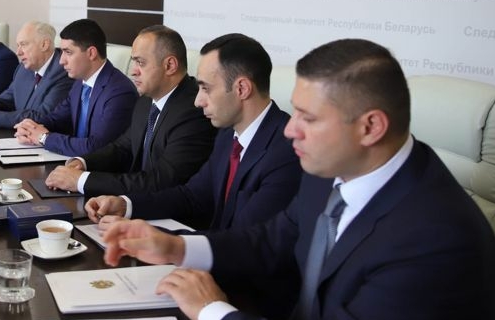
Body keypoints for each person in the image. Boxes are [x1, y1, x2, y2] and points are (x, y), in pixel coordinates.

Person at [102, 39, 495, 320]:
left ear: (370, 127)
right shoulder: (329, 172)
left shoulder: (436, 237)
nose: (290, 129)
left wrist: (210, 310)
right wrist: (177, 247)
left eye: (308, 118)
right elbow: (271, 240)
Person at [84, 33, 299, 231]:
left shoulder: (287, 151)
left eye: (206, 88)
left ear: (241, 89)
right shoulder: (227, 135)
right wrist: (126, 205)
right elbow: (192, 196)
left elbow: (245, 240)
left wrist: (162, 240)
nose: (198, 101)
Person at [44, 25, 216, 197]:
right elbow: (123, 147)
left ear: (170, 65)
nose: (133, 71)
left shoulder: (194, 112)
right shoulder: (146, 100)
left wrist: (81, 181)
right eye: (133, 61)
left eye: (140, 62)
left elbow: (162, 180)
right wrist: (83, 163)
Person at [15, 18, 136, 157]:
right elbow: (56, 118)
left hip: (99, 167)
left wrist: (44, 138)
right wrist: (30, 127)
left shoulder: (120, 92)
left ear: (91, 53)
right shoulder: (80, 83)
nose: (61, 61)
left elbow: (95, 147)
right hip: (73, 161)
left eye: (68, 52)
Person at [0, 21, 71, 129]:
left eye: (23, 44)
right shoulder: (23, 69)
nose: (18, 52)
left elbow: (42, 117)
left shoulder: (63, 72)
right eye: (18, 46)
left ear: (44, 44)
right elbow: (7, 99)